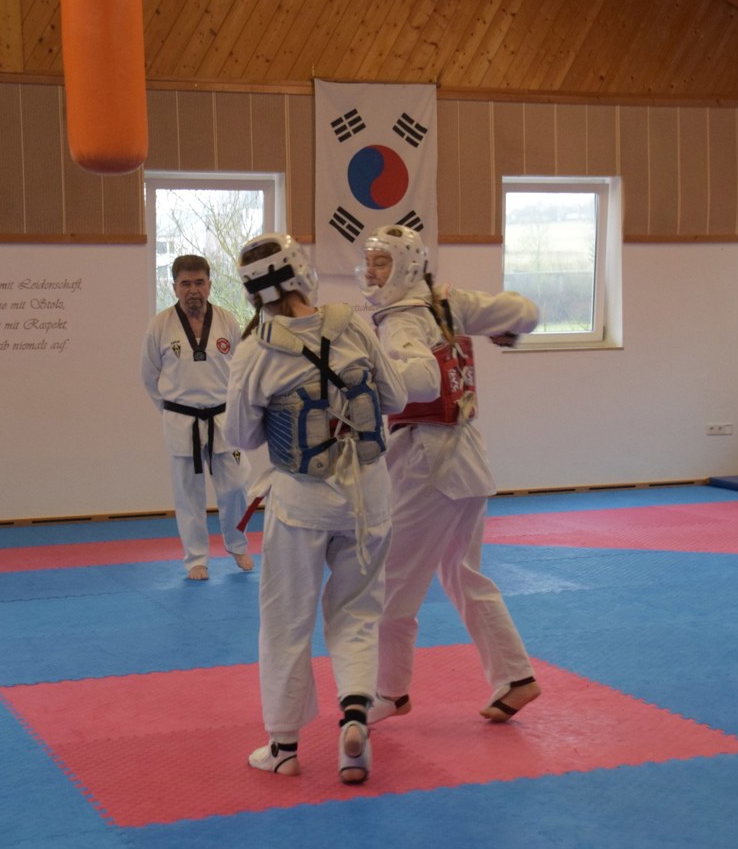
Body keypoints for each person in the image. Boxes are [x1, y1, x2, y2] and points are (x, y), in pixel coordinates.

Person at [225, 233, 407, 784]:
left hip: (301, 500)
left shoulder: (256, 351)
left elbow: (241, 435)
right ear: (303, 273)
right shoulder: (352, 325)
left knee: (287, 619)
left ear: (252, 293)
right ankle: (354, 719)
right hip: (369, 497)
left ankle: (283, 746)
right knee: (358, 613)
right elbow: (396, 398)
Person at [359, 224, 542, 726]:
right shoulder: (448, 301)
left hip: (428, 464)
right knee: (462, 572)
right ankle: (515, 676)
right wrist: (510, 328)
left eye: (382, 262)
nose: (372, 272)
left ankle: (389, 691)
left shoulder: (401, 319)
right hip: (467, 457)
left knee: (390, 581)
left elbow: (417, 381)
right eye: (370, 262)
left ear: (407, 265)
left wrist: (365, 381)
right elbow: (526, 310)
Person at [141, 254, 254, 581]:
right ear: (174, 287)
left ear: (210, 284)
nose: (193, 290)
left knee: (236, 485)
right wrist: (170, 410)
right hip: (182, 421)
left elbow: (241, 369)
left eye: (199, 282)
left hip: (223, 418)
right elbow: (148, 376)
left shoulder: (227, 321)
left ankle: (237, 544)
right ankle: (196, 560)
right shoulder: (160, 325)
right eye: (186, 283)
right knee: (188, 494)